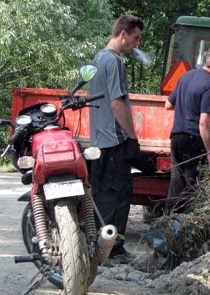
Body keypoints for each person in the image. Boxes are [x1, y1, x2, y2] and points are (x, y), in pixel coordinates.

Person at [89, 15, 144, 261]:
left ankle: (100, 247)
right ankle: (114, 251)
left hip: (99, 141)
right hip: (114, 141)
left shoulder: (98, 58)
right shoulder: (114, 61)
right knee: (119, 196)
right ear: (123, 33)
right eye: (135, 37)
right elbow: (117, 102)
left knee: (102, 196)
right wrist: (131, 136)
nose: (136, 43)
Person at [164, 45, 210, 212]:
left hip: (176, 138)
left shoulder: (185, 77)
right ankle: (182, 227)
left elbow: (168, 104)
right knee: (191, 188)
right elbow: (204, 122)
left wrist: (186, 108)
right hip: (193, 140)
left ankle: (167, 223)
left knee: (176, 184)